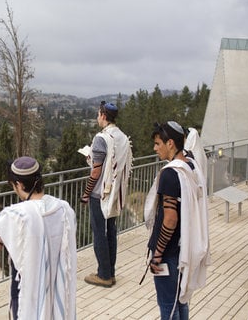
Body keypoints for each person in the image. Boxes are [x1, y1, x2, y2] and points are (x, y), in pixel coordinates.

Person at [0, 156, 77, 320]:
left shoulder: (16, 215)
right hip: (58, 283)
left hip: (28, 287)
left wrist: (0, 238)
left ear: (19, 185)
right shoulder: (63, 208)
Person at [144, 121, 210, 320]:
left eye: (158, 144)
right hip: (183, 247)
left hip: (169, 253)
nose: (155, 148)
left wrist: (157, 254)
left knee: (168, 306)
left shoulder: (170, 174)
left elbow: (170, 219)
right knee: (181, 303)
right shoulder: (190, 164)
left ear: (170, 143)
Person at [81, 101, 132, 288]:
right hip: (115, 192)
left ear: (103, 115)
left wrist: (86, 194)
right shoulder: (122, 137)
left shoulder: (101, 138)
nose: (97, 117)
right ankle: (110, 272)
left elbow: (96, 171)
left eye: (98, 114)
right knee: (111, 231)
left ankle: (103, 275)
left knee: (99, 234)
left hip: (99, 193)